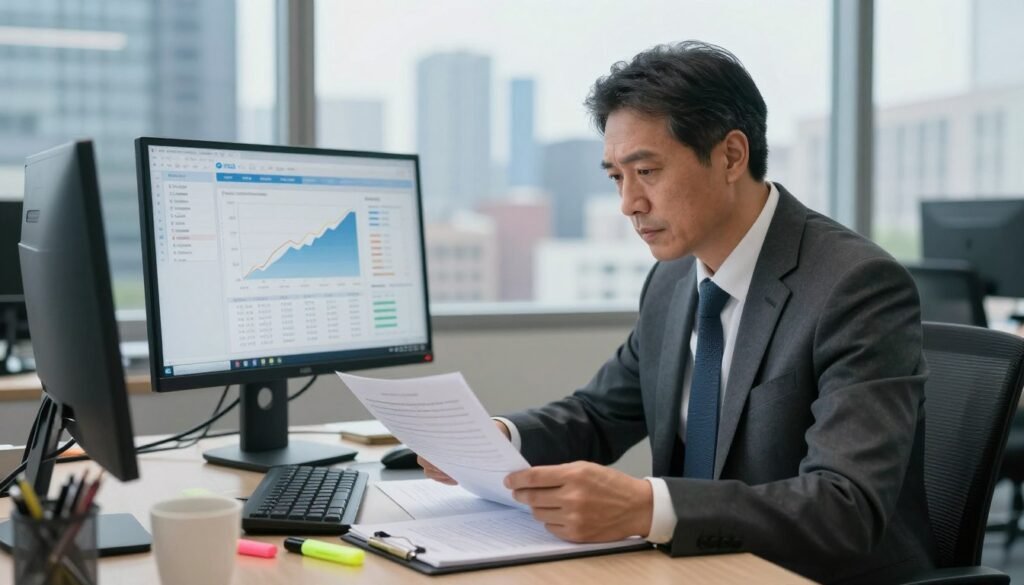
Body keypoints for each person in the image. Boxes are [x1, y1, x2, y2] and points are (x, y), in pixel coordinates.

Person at [420, 41, 936, 584]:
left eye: (646, 171)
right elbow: (600, 414)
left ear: (732, 156)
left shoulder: (854, 286)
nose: (629, 204)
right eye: (617, 177)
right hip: (699, 569)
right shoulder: (672, 278)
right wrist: (497, 435)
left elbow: (844, 507)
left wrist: (648, 507)